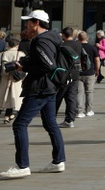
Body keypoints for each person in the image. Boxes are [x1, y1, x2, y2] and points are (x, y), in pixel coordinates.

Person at [0, 10, 66, 179]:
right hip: (51, 87)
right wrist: (22, 63)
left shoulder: (41, 40)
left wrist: (25, 67)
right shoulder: (53, 37)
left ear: (36, 23)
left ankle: (22, 165)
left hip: (39, 88)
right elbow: (43, 60)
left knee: (19, 124)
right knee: (50, 124)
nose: (26, 25)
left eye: (29, 22)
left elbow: (48, 65)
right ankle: (58, 161)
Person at [55, 27, 84, 129]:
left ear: (63, 34)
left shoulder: (62, 45)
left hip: (63, 74)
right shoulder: (78, 45)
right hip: (75, 74)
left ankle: (51, 117)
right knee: (71, 97)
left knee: (57, 96)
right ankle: (69, 120)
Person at [1, 36, 25, 123]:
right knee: (16, 98)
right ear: (17, 45)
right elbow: (25, 69)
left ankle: (8, 116)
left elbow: (2, 69)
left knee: (7, 99)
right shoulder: (21, 54)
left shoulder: (3, 54)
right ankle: (14, 115)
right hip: (16, 80)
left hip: (5, 79)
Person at [76, 31, 100, 118]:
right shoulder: (92, 48)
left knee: (79, 92)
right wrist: (97, 70)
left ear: (78, 38)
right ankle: (89, 110)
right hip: (90, 73)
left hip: (78, 72)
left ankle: (79, 111)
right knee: (89, 92)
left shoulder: (76, 47)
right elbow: (97, 60)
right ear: (87, 38)